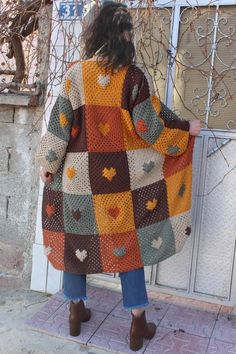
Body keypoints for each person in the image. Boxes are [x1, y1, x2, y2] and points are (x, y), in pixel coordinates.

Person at [36, 1, 201, 351]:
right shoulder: (134, 77)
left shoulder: (74, 75)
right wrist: (186, 131)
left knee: (75, 242)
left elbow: (59, 127)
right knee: (129, 249)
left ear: (95, 32)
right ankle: (138, 325)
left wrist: (47, 163)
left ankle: (75, 311)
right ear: (125, 35)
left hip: (78, 182)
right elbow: (151, 129)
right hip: (120, 188)